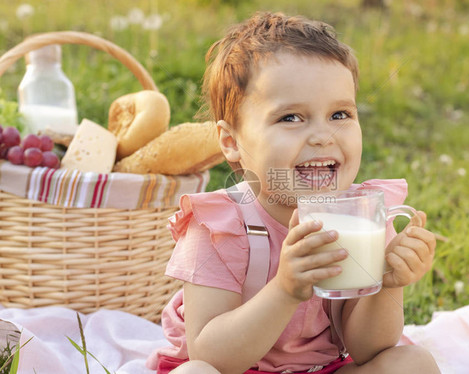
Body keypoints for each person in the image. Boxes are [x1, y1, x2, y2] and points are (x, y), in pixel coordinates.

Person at [147, 11, 440, 374]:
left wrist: (389, 285)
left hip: (324, 369)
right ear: (231, 141)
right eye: (291, 118)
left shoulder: (362, 216)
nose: (323, 136)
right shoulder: (219, 227)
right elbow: (212, 355)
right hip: (236, 369)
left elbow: (367, 349)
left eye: (340, 115)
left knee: (412, 363)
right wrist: (285, 290)